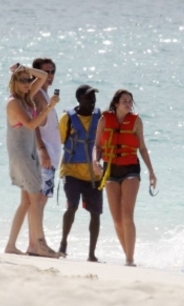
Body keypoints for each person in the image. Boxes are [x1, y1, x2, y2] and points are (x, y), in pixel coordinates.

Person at [92, 89, 157, 266]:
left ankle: (130, 259)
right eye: (124, 101)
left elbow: (142, 148)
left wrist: (151, 171)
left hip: (131, 169)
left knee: (127, 215)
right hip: (110, 169)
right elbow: (97, 145)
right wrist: (94, 162)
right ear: (116, 104)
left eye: (130, 101)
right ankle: (127, 255)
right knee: (117, 219)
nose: (128, 104)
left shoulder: (136, 121)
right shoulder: (105, 119)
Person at [4, 62, 59, 258]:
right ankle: (40, 245)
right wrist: (50, 107)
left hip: (29, 154)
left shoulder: (26, 98)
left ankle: (10, 245)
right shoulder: (14, 102)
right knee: (35, 198)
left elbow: (43, 76)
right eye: (23, 81)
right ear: (14, 83)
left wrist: (25, 68)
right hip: (21, 156)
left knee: (26, 202)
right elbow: (30, 125)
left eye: (28, 80)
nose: (28, 84)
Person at [58, 84, 103, 262]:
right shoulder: (66, 119)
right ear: (79, 100)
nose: (92, 102)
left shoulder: (100, 118)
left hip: (95, 174)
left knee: (95, 213)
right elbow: (61, 140)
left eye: (93, 98)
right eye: (88, 98)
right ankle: (63, 243)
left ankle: (91, 253)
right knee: (72, 207)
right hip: (72, 171)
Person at [32, 58, 61, 208]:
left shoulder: (44, 95)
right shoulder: (37, 95)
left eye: (52, 72)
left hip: (49, 157)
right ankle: (36, 233)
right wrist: (42, 149)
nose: (50, 75)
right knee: (38, 202)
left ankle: (33, 232)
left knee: (36, 203)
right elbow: (33, 125)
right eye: (46, 72)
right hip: (44, 157)